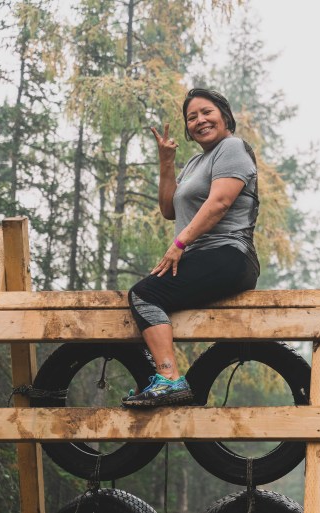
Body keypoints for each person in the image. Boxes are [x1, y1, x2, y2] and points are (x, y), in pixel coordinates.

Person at [122, 88, 260, 408]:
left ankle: (170, 379)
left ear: (225, 117)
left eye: (206, 112)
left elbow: (220, 203)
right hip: (206, 257)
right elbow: (170, 209)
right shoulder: (197, 161)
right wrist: (166, 163)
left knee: (145, 294)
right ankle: (165, 379)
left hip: (230, 254)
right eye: (192, 117)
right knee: (147, 293)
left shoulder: (233, 147)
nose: (200, 120)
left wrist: (179, 243)